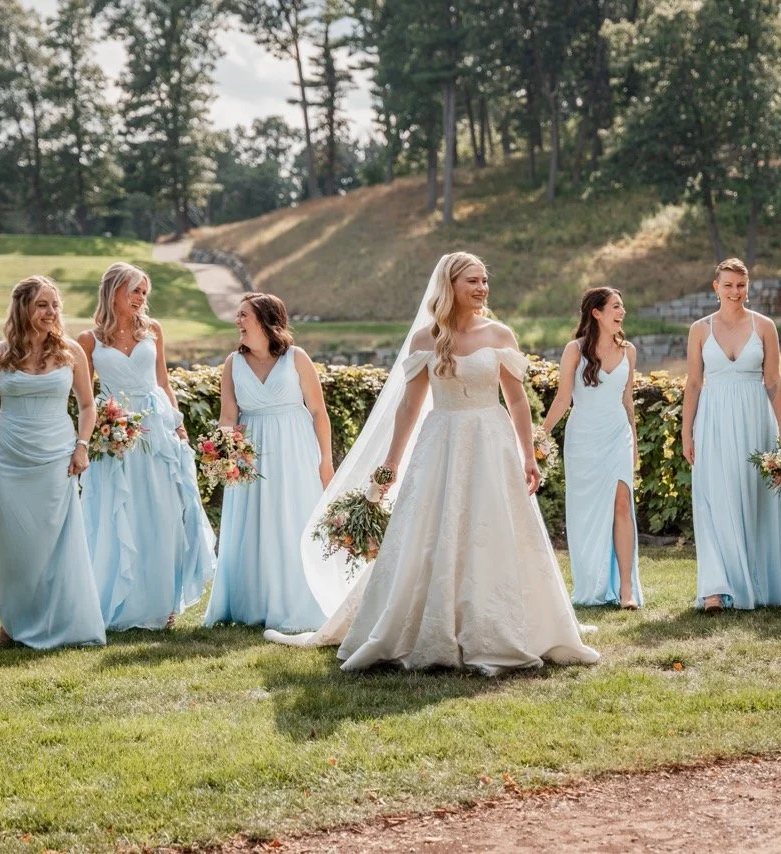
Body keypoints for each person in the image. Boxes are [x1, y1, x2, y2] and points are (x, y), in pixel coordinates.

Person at [267, 252, 599, 675]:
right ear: (451, 287)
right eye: (472, 282)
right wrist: (390, 463)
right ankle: (428, 627)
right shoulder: (427, 339)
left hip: (490, 443)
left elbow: (516, 399)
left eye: (484, 280)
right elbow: (410, 405)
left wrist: (527, 454)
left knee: (493, 526)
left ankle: (507, 627)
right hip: (441, 442)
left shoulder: (500, 334)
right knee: (429, 530)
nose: (482, 288)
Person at [0, 275, 105, 649]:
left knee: (53, 538)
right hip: (9, 456)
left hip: (56, 455)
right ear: (23, 308)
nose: (51, 312)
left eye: (55, 305)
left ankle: (60, 619)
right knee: (15, 543)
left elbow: (86, 405)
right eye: (42, 305)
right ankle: (14, 622)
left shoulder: (71, 351)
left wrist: (82, 445)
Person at [77, 262, 216, 631]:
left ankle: (161, 603)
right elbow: (82, 397)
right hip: (114, 435)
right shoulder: (88, 340)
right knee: (117, 511)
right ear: (114, 291)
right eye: (135, 290)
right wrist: (95, 432)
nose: (141, 298)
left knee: (161, 510)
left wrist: (179, 424)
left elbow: (164, 382)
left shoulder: (153, 330)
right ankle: (113, 601)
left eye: (144, 292)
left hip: (155, 430)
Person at [203, 293, 335, 632]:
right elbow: (228, 415)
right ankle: (254, 602)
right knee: (254, 522)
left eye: (244, 316)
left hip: (295, 449)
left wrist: (326, 462)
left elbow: (319, 412)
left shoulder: (296, 358)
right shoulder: (233, 363)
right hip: (252, 454)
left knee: (292, 517)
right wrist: (222, 451)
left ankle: (297, 598)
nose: (238, 322)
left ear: (265, 321)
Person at [681, 258, 781, 612]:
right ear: (716, 287)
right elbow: (694, 383)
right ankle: (715, 588)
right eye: (728, 285)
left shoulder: (765, 327)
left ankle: (754, 581)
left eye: (741, 285)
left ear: (748, 287)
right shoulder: (699, 329)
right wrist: (687, 432)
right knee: (714, 498)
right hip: (712, 420)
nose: (735, 292)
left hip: (754, 419)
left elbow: (773, 382)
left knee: (752, 496)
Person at [540, 287, 642, 609]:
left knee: (622, 505)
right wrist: (538, 435)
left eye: (622, 307)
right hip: (583, 437)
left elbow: (627, 402)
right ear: (596, 313)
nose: (621, 312)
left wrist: (634, 443)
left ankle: (626, 589)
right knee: (588, 514)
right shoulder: (575, 350)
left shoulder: (629, 351)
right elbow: (562, 398)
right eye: (615, 306)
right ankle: (593, 584)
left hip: (617, 435)